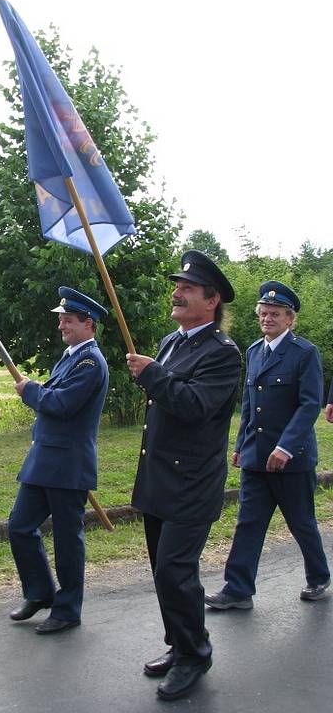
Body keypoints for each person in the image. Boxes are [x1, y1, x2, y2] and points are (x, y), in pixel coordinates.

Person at [126, 250, 241, 701]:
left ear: (211, 301)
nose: (177, 293)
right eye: (178, 287)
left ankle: (195, 654)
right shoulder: (173, 340)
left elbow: (195, 406)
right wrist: (155, 373)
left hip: (192, 481)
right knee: (163, 570)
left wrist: (153, 375)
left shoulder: (222, 353)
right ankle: (179, 644)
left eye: (187, 289)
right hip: (160, 478)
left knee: (176, 570)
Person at [206, 281, 330, 611]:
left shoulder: (304, 353)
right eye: (263, 313)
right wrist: (240, 444)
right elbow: (249, 404)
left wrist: (286, 447)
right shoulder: (253, 352)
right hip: (257, 457)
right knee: (249, 522)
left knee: (301, 521)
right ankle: (238, 589)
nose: (267, 319)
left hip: (291, 460)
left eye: (275, 314)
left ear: (290, 319)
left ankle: (318, 577)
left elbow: (309, 405)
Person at [7, 286, 109, 634]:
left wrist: (31, 390)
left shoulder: (90, 362)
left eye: (68, 320)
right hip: (43, 460)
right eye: (61, 319)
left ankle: (67, 610)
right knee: (19, 526)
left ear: (88, 323)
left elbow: (63, 405)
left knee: (67, 540)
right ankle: (39, 593)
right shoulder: (70, 356)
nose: (62, 325)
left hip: (67, 466)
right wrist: (37, 392)